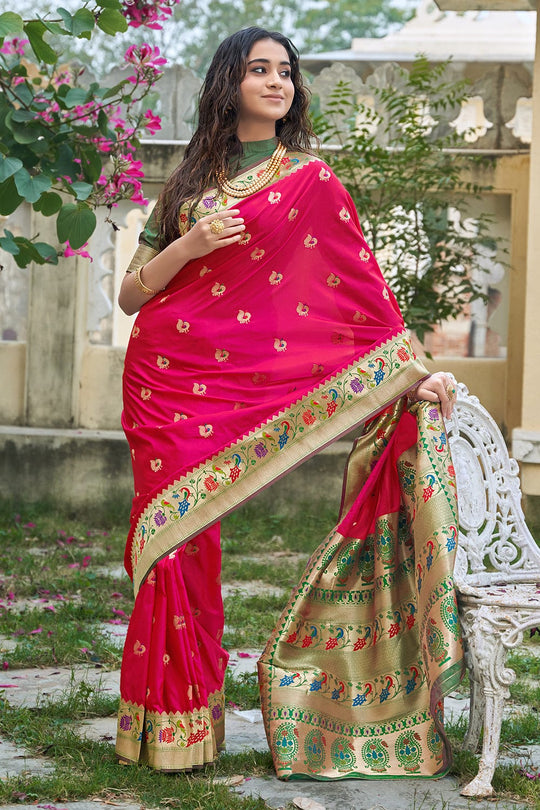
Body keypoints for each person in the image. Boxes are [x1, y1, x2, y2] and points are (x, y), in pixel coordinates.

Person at [115, 26, 463, 777]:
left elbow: (356, 292)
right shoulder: (188, 184)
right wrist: (191, 244)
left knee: (188, 535)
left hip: (237, 385)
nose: (277, 82)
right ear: (228, 84)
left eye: (285, 71)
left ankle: (184, 723)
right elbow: (130, 294)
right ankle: (167, 725)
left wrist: (411, 372)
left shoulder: (310, 180)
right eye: (259, 70)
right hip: (164, 379)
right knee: (171, 544)